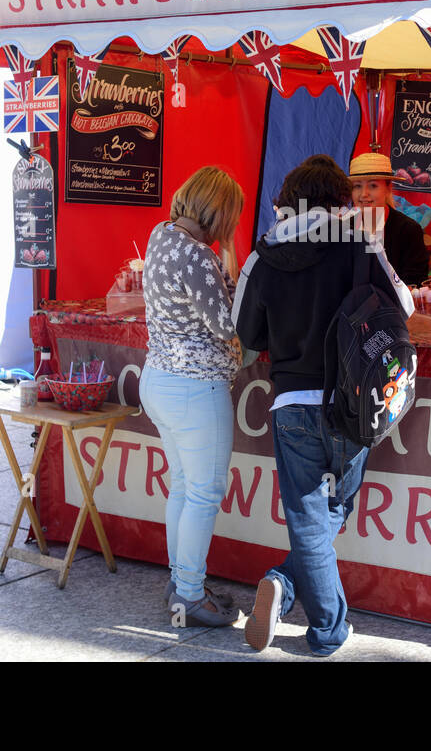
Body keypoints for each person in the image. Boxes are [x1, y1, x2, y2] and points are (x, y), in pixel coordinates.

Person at [232, 159, 414, 655]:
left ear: (287, 201)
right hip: (352, 403)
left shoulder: (262, 256)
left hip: (291, 404)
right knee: (334, 510)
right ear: (339, 200)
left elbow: (245, 332)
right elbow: (404, 306)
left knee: (311, 516)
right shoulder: (360, 243)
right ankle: (326, 628)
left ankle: (284, 585)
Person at [139, 165, 244, 628]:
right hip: (195, 387)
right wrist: (235, 269)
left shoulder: (161, 235)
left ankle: (181, 582)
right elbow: (227, 326)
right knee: (203, 493)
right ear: (220, 212)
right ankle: (189, 594)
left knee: (183, 486)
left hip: (159, 378)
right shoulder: (199, 256)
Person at [348, 151, 431, 286]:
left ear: (388, 188)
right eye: (357, 186)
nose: (364, 194)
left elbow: (415, 282)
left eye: (373, 186)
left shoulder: (408, 230)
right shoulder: (344, 229)